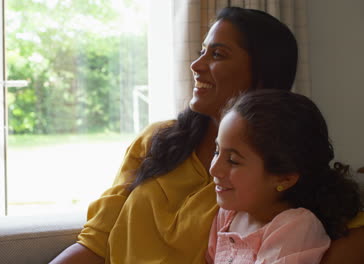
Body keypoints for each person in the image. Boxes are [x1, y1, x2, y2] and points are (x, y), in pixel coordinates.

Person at [51, 7, 364, 264]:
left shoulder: (281, 169)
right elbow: (95, 242)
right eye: (202, 51)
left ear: (263, 73)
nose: (196, 64)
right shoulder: (156, 140)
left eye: (218, 54)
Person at [205, 90, 362, 264]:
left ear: (284, 178)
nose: (214, 169)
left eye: (233, 161)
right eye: (216, 151)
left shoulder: (296, 227)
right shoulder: (227, 214)